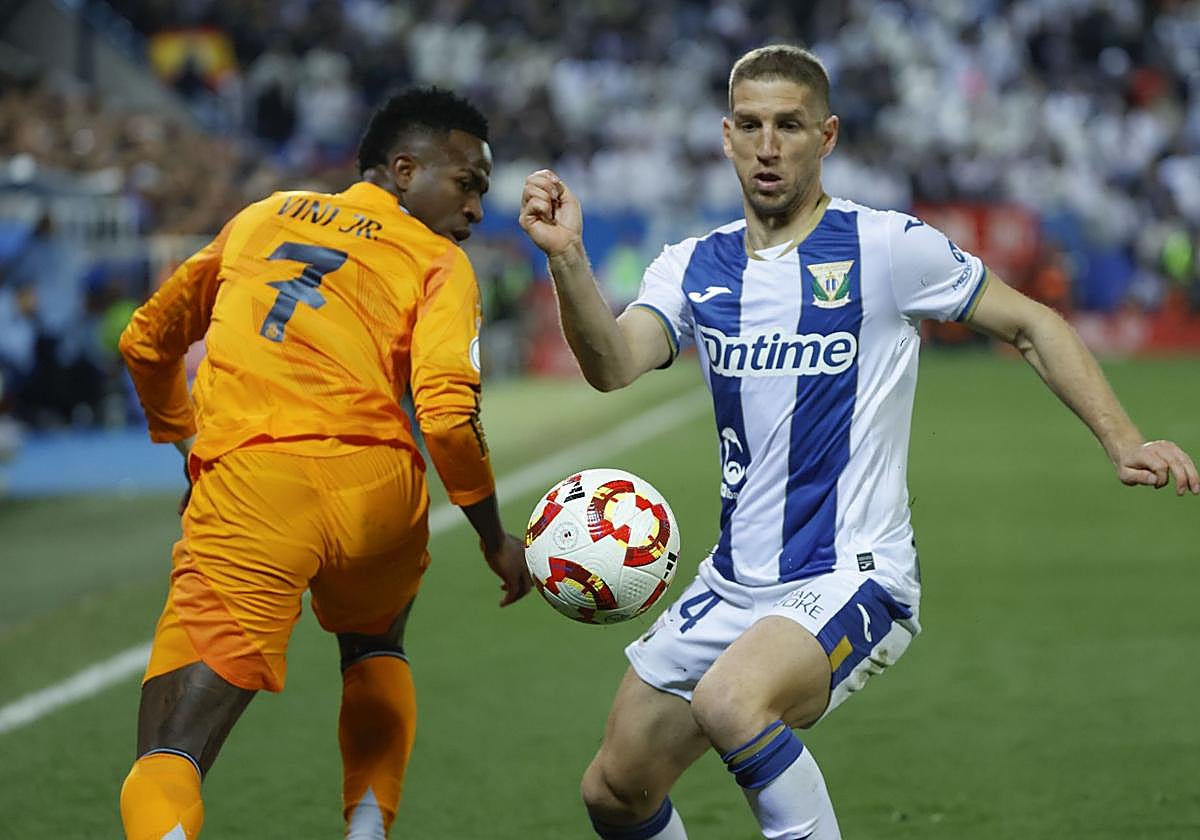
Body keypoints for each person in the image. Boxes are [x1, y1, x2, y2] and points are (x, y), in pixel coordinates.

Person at [518, 45, 1199, 840]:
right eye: (750, 125)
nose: (769, 145)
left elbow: (1031, 322)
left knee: (733, 702)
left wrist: (1122, 440)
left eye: (790, 126)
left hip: (855, 573)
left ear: (827, 136)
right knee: (615, 789)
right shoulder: (692, 267)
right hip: (732, 584)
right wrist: (568, 258)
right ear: (726, 135)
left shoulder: (884, 248)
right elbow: (610, 364)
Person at [118, 86, 531, 840]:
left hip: (258, 488)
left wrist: (184, 446)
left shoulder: (261, 217)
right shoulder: (439, 261)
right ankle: (368, 831)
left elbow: (146, 342)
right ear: (403, 170)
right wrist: (493, 538)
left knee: (170, 748)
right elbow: (444, 417)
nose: (476, 210)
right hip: (379, 494)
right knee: (375, 645)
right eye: (467, 184)